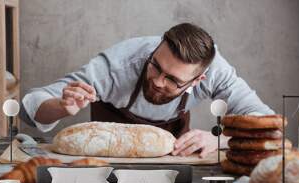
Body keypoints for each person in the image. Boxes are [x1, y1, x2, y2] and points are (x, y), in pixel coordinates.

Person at [22, 23, 274, 158]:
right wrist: (61, 106)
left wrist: (219, 141)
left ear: (199, 80)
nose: (158, 82)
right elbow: (30, 106)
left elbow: (268, 125)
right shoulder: (117, 66)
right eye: (155, 66)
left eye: (173, 80)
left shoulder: (218, 72)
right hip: (107, 160)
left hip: (174, 158)